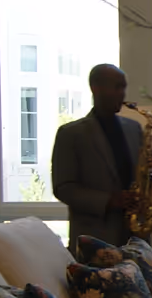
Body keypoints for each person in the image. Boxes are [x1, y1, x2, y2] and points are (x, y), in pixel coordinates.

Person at [52, 63, 144, 246]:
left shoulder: (134, 128)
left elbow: (142, 177)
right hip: (95, 239)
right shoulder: (70, 134)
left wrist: (151, 166)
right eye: (117, 87)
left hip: (135, 236)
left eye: (124, 87)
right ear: (96, 88)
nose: (122, 94)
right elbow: (63, 188)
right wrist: (109, 201)